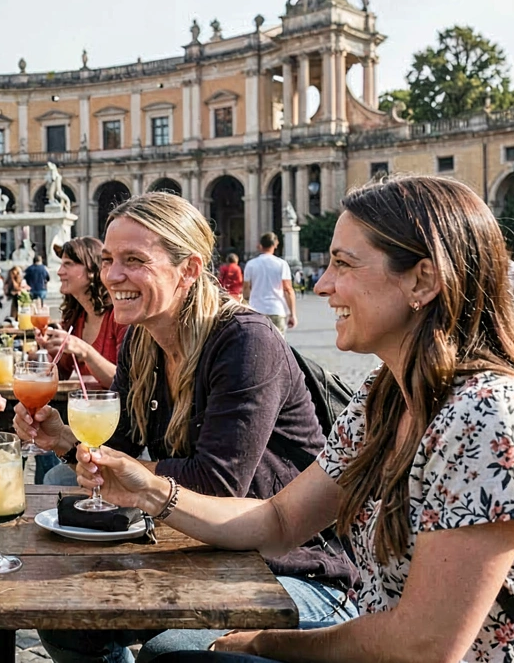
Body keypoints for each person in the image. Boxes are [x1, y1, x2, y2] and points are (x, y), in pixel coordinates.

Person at [96, 176, 514, 663]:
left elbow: (425, 644)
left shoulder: (489, 414)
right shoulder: (384, 396)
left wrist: (264, 642)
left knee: (178, 656)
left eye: (343, 264)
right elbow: (279, 521)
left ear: (423, 280)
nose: (322, 285)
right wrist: (149, 491)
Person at [18, 193, 358, 663]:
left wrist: (130, 473)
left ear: (190, 270)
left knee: (171, 651)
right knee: (66, 620)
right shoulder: (141, 339)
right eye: (110, 260)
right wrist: (66, 440)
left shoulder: (245, 340)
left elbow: (217, 483)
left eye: (134, 260)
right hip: (198, 554)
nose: (112, 275)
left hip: (290, 569)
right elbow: (116, 449)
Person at [33, 236, 128, 485]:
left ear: (92, 270)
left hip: (117, 431)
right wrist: (44, 352)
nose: (59, 271)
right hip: (83, 424)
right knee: (41, 449)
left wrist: (86, 351)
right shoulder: (76, 319)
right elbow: (61, 374)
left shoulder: (119, 318)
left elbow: (125, 383)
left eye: (67, 264)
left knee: (54, 478)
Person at [243, 232, 297, 334]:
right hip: (276, 308)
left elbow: (246, 288)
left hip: (256, 309)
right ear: (275, 245)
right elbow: (288, 289)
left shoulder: (251, 264)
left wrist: (245, 305)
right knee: (278, 345)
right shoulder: (282, 264)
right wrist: (292, 314)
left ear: (260, 246)